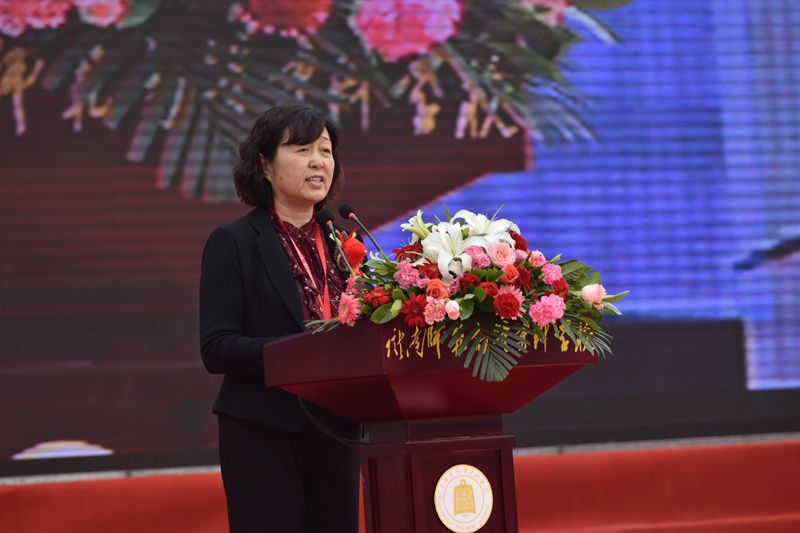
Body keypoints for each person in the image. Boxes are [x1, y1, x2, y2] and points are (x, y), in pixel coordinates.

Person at [199, 104, 360, 532]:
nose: (318, 162)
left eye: (325, 151)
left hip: (337, 428)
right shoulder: (233, 242)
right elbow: (216, 347)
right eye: (302, 150)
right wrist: (299, 355)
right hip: (263, 432)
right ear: (265, 166)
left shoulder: (341, 240)